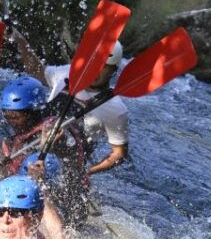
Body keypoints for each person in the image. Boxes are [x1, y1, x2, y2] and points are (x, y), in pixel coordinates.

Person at [11, 30, 129, 174]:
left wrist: (86, 172)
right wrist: (18, 37)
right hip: (32, 145)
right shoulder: (68, 74)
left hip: (68, 164)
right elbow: (36, 69)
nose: (96, 71)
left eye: (104, 67)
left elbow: (118, 154)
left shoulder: (115, 108)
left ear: (113, 70)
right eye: (93, 63)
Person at [0, 75, 91, 227]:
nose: (11, 121)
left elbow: (66, 151)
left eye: (16, 116)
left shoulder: (56, 128)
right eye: (7, 115)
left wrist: (55, 145)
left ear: (33, 111)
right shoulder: (13, 140)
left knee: (39, 162)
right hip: (24, 200)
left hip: (67, 203)